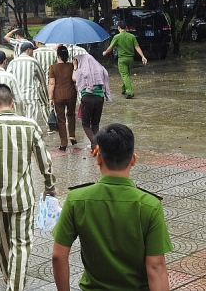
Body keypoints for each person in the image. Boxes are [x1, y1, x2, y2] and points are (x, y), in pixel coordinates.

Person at [51, 124, 172, 291]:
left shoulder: (76, 199)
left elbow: (58, 256)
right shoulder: (150, 205)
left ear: (99, 158)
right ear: (133, 160)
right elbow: (156, 267)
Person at [0, 84, 56, 291]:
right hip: (23, 197)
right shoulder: (30, 125)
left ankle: (8, 274)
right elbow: (44, 159)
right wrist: (49, 185)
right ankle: (14, 285)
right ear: (13, 103)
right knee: (21, 243)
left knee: (4, 238)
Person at [73, 53, 111, 152]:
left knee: (86, 125)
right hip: (100, 98)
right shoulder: (99, 69)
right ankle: (95, 147)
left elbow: (75, 79)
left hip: (87, 98)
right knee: (95, 124)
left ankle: (95, 144)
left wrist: (75, 67)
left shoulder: (81, 71)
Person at [101, 21, 147, 98]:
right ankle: (124, 89)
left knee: (125, 75)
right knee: (126, 75)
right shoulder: (132, 36)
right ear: (126, 28)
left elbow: (110, 47)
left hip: (122, 59)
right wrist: (143, 56)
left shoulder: (117, 37)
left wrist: (105, 52)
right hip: (131, 59)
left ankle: (130, 92)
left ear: (118, 28)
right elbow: (137, 47)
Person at [7, 42, 49, 122]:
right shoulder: (34, 62)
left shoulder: (13, 62)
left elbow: (8, 78)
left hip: (17, 95)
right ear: (28, 50)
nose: (33, 52)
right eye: (32, 50)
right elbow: (42, 80)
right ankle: (30, 134)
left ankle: (21, 133)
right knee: (31, 119)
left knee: (19, 119)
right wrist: (47, 96)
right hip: (30, 95)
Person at [48, 46, 78, 150]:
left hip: (58, 96)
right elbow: (75, 80)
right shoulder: (71, 66)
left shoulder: (53, 67)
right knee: (71, 114)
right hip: (71, 95)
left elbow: (52, 84)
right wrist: (75, 66)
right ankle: (72, 135)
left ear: (58, 56)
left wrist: (50, 98)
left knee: (61, 119)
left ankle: (63, 143)